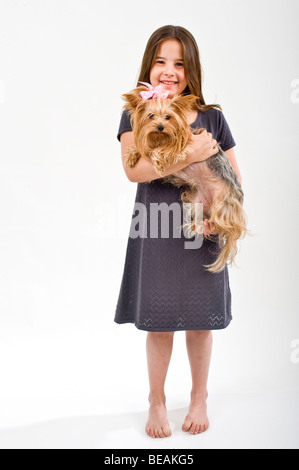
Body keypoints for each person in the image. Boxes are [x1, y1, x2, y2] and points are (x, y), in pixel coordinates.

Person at [115, 25, 242, 439]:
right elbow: (135, 170)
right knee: (159, 323)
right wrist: (190, 152)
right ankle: (156, 401)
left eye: (179, 64)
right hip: (156, 229)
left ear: (191, 71)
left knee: (201, 323)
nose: (169, 71)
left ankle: (199, 396)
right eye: (161, 62)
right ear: (149, 67)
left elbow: (234, 180)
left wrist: (218, 216)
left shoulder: (212, 117)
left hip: (204, 228)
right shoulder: (135, 111)